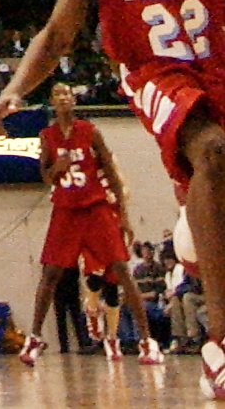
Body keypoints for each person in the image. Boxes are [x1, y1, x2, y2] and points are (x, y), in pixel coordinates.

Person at [0, 0, 222, 394]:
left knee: (213, 166)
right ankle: (218, 339)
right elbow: (59, 33)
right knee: (212, 148)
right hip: (154, 73)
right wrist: (15, 89)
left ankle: (193, 219)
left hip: (214, 65)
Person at [16, 80, 158, 366]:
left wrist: (124, 215)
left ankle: (147, 340)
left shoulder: (90, 131)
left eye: (67, 93)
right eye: (58, 94)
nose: (63, 98)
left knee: (121, 269)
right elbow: (45, 176)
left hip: (95, 208)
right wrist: (57, 168)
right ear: (52, 103)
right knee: (50, 274)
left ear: (74, 100)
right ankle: (34, 337)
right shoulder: (47, 136)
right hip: (66, 211)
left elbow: (111, 171)